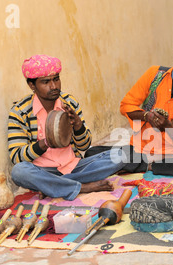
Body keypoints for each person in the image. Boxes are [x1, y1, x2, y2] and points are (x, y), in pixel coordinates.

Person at [90, 32, 173, 176]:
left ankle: (146, 165)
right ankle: (147, 164)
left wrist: (169, 128)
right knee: (91, 152)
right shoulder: (154, 75)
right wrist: (147, 116)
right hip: (141, 148)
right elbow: (126, 105)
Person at [8, 54, 126, 201]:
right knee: (19, 172)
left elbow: (85, 146)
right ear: (32, 85)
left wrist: (78, 125)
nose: (54, 86)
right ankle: (81, 187)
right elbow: (17, 156)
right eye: (46, 82)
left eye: (56, 79)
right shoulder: (20, 112)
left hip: (74, 166)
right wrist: (45, 143)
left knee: (120, 156)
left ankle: (53, 187)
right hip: (43, 171)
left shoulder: (69, 102)